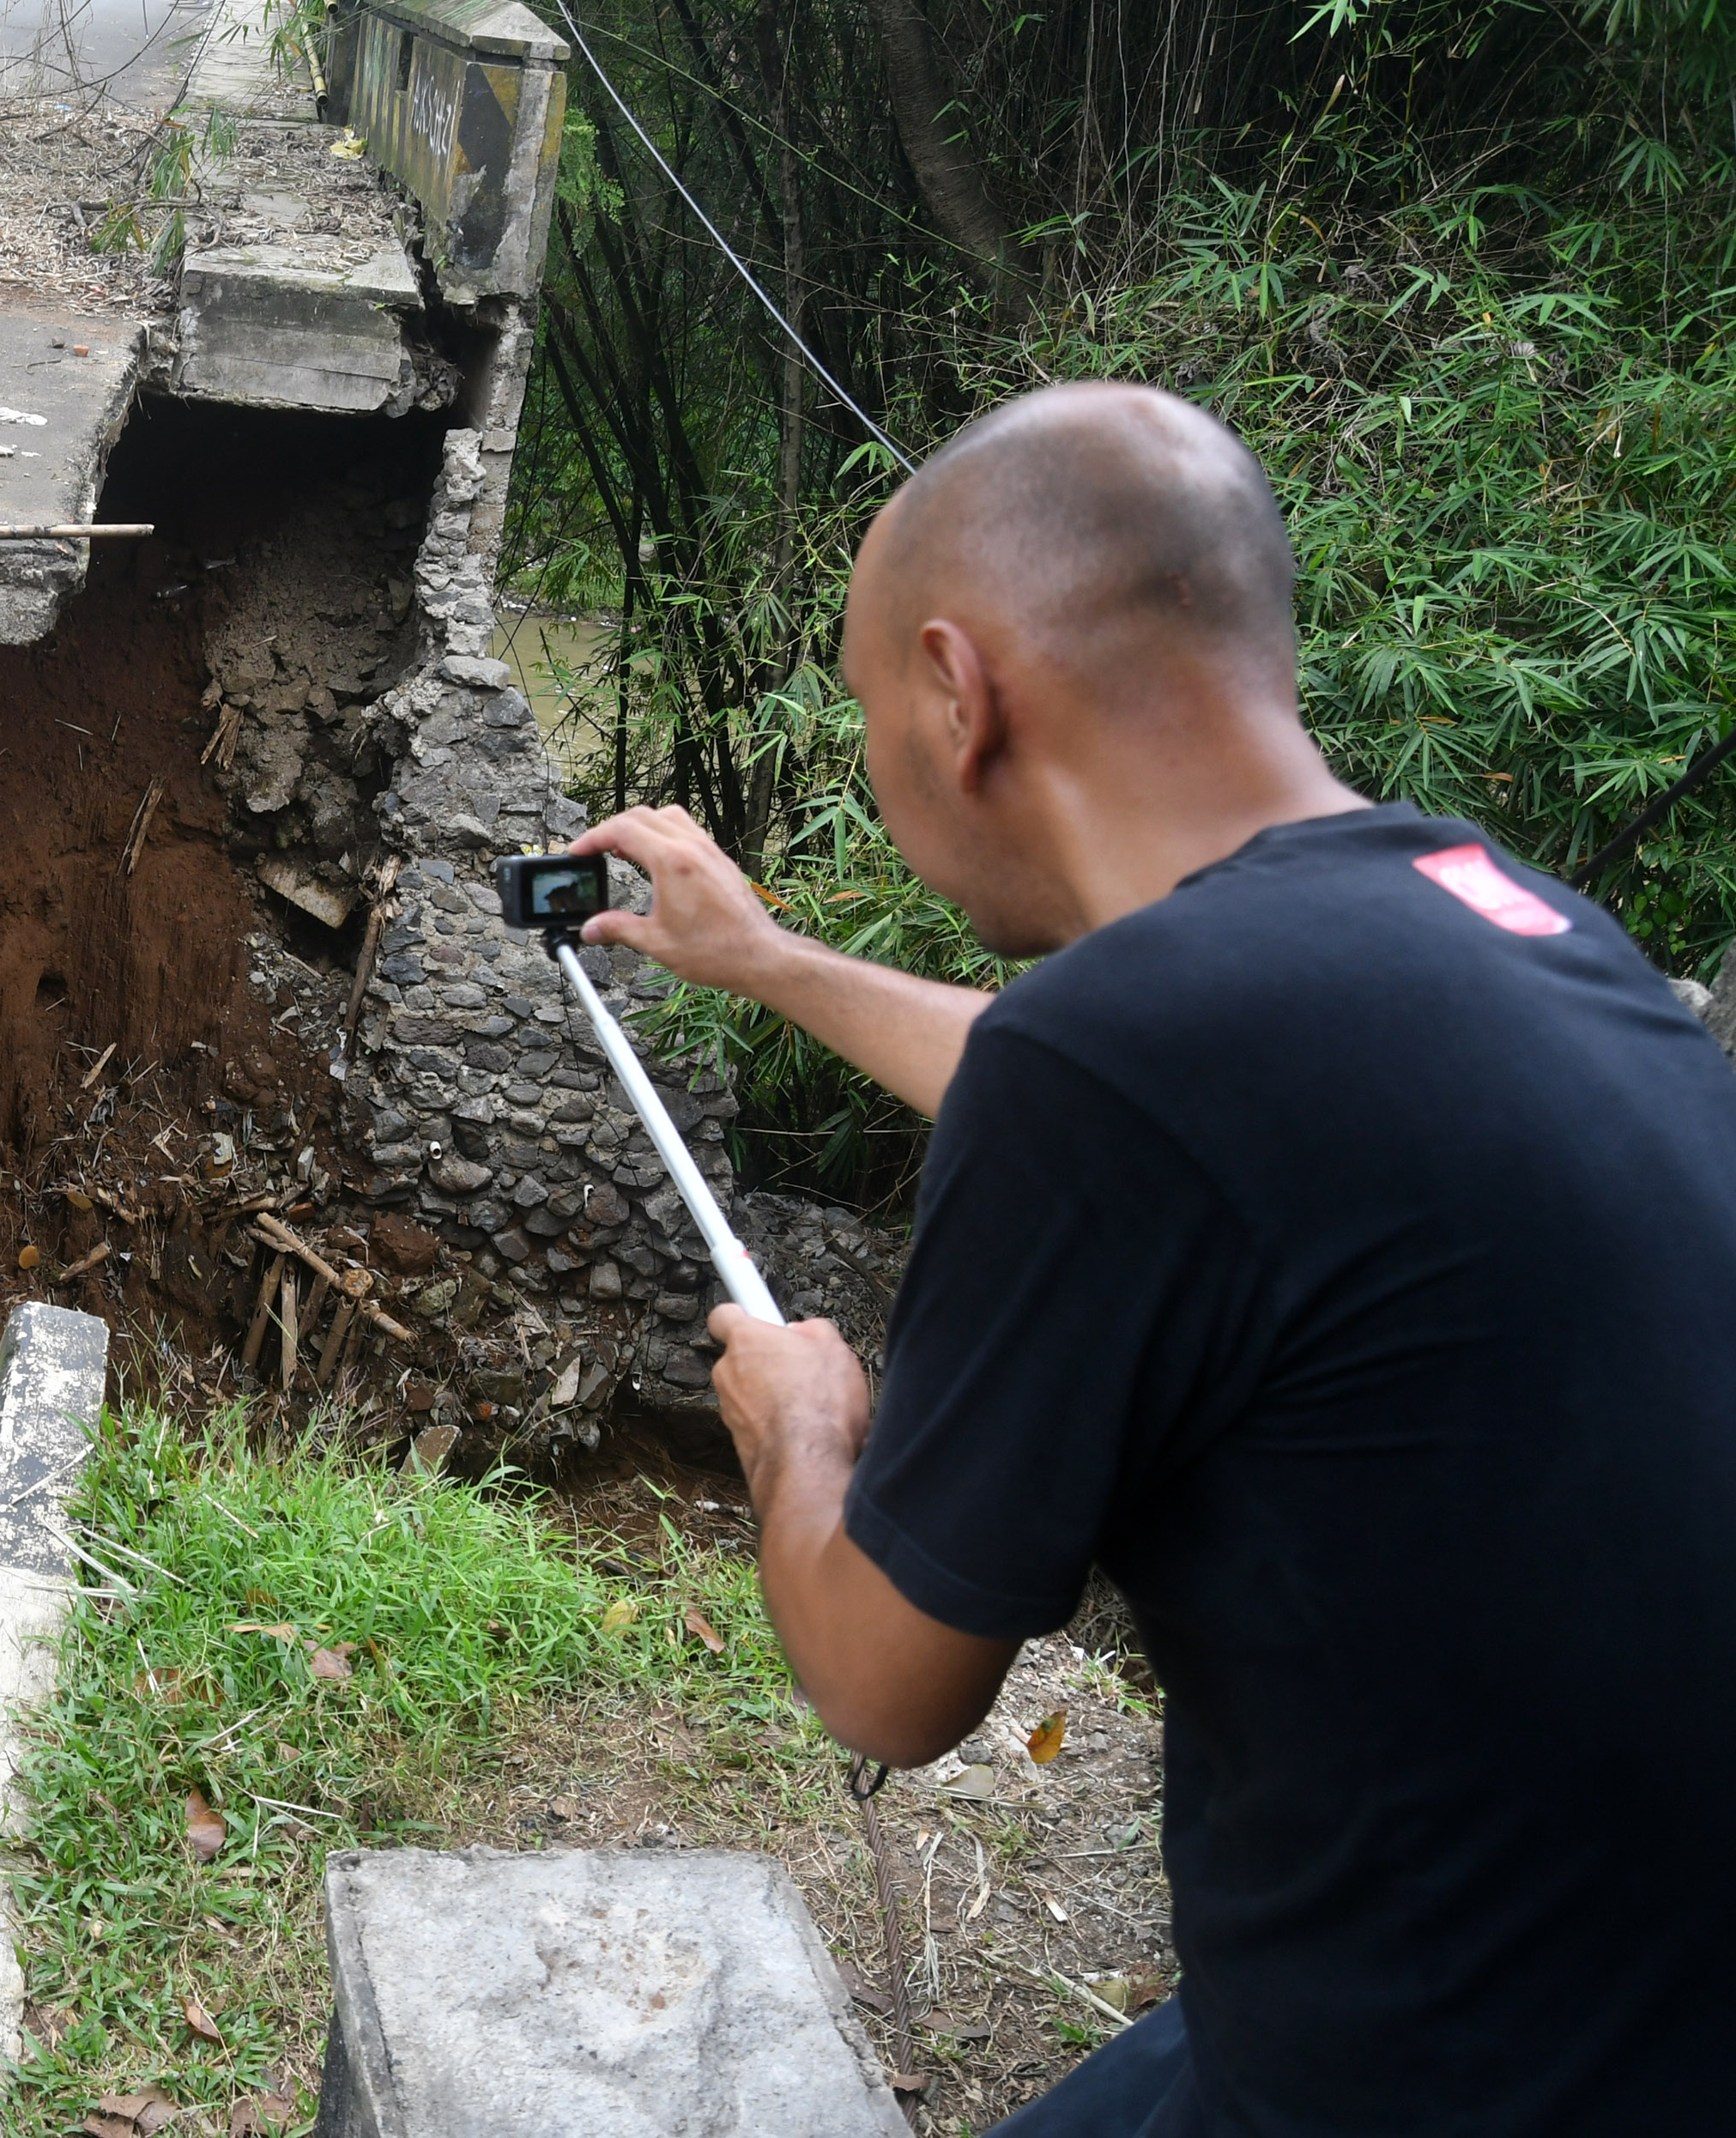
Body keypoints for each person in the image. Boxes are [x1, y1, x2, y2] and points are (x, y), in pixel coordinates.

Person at [567, 381, 1736, 2135]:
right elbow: (1172, 1097)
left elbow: (887, 1683)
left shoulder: (1112, 1066)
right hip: (1643, 1987)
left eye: (869, 709)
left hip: (1447, 2074)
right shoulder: (1498, 911)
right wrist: (768, 962)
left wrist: (801, 1426)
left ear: (957, 696)